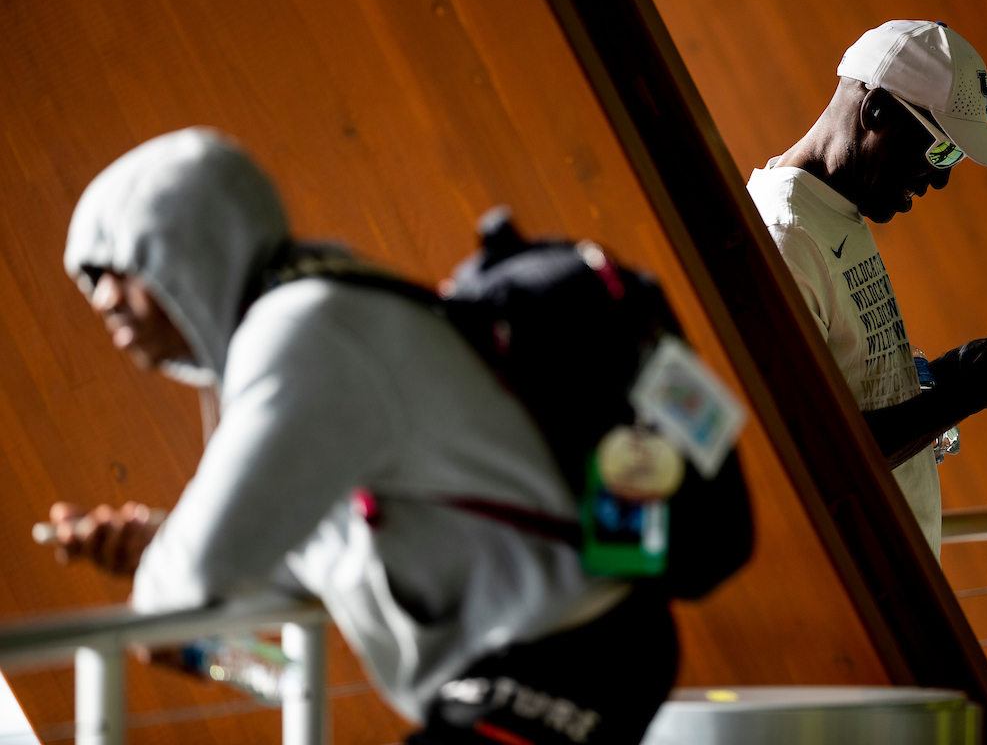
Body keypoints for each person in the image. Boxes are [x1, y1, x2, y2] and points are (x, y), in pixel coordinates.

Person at [48, 127, 677, 745]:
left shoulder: (304, 330)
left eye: (119, 268)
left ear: (189, 248)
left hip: (566, 646)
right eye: (90, 281)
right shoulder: (310, 318)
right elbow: (303, 574)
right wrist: (163, 554)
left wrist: (171, 585)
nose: (102, 300)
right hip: (561, 655)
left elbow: (184, 589)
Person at [746, 20, 987, 554]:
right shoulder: (785, 235)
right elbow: (814, 451)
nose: (942, 178)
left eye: (952, 158)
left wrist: (956, 371)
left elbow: (856, 389)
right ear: (877, 111)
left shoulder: (836, 215)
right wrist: (969, 393)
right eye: (940, 151)